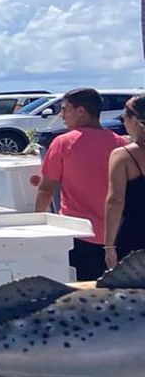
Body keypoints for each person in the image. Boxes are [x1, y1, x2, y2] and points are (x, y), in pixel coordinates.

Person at [35, 87, 125, 280]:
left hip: (78, 233)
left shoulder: (62, 143)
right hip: (116, 235)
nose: (61, 115)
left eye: (65, 109)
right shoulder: (121, 145)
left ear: (81, 111)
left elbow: (46, 188)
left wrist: (36, 225)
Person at [103, 93, 145, 267]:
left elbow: (115, 201)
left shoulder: (124, 155)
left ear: (134, 120)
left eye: (123, 117)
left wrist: (109, 246)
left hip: (136, 234)